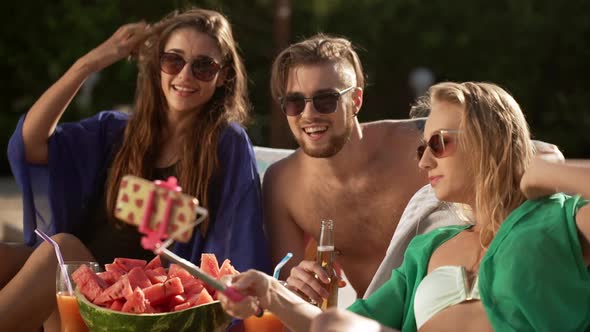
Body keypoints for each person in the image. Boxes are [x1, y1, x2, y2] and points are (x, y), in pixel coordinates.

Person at [219, 81, 590, 332]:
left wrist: (543, 171)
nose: (424, 162)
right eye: (421, 148)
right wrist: (270, 292)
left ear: (488, 141)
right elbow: (335, 323)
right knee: (336, 325)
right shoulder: (428, 248)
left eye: (439, 143)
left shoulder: (560, 218)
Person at [2, 8, 271, 331]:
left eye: (203, 66)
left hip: (132, 308)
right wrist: (91, 63)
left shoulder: (226, 143)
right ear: (158, 64)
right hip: (74, 291)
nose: (185, 75)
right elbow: (29, 144)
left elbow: (237, 246)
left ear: (224, 75)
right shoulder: (115, 131)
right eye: (174, 60)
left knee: (61, 249)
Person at [263, 33, 431, 300]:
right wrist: (295, 281)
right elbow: (288, 296)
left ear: (356, 101)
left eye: (325, 99)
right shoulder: (283, 183)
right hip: (370, 323)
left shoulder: (420, 145)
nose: (308, 115)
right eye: (295, 103)